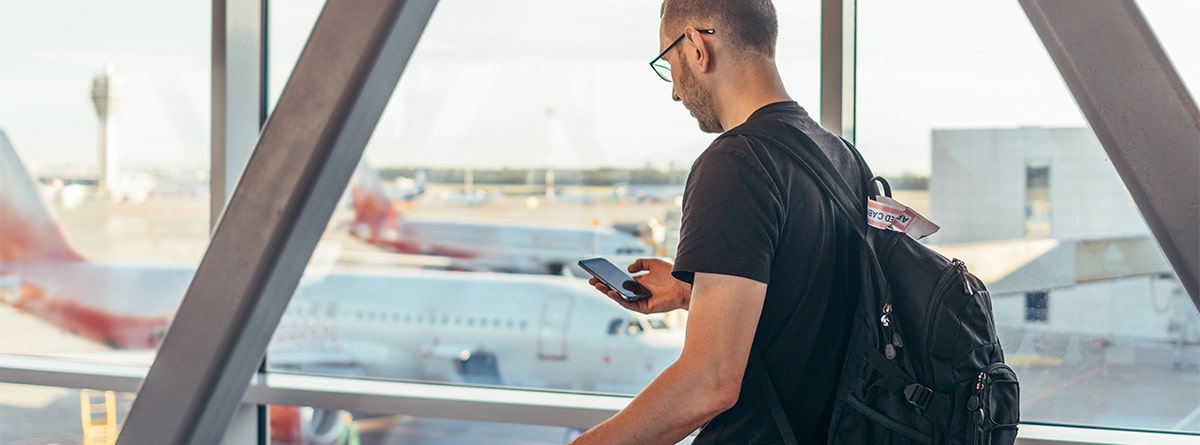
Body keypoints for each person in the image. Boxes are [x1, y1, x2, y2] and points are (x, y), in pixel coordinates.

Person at [569, 0, 866, 443]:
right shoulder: (841, 157)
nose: (674, 91)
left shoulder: (736, 162)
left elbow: (709, 382)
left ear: (695, 47)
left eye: (668, 64)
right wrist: (697, 293)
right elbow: (814, 309)